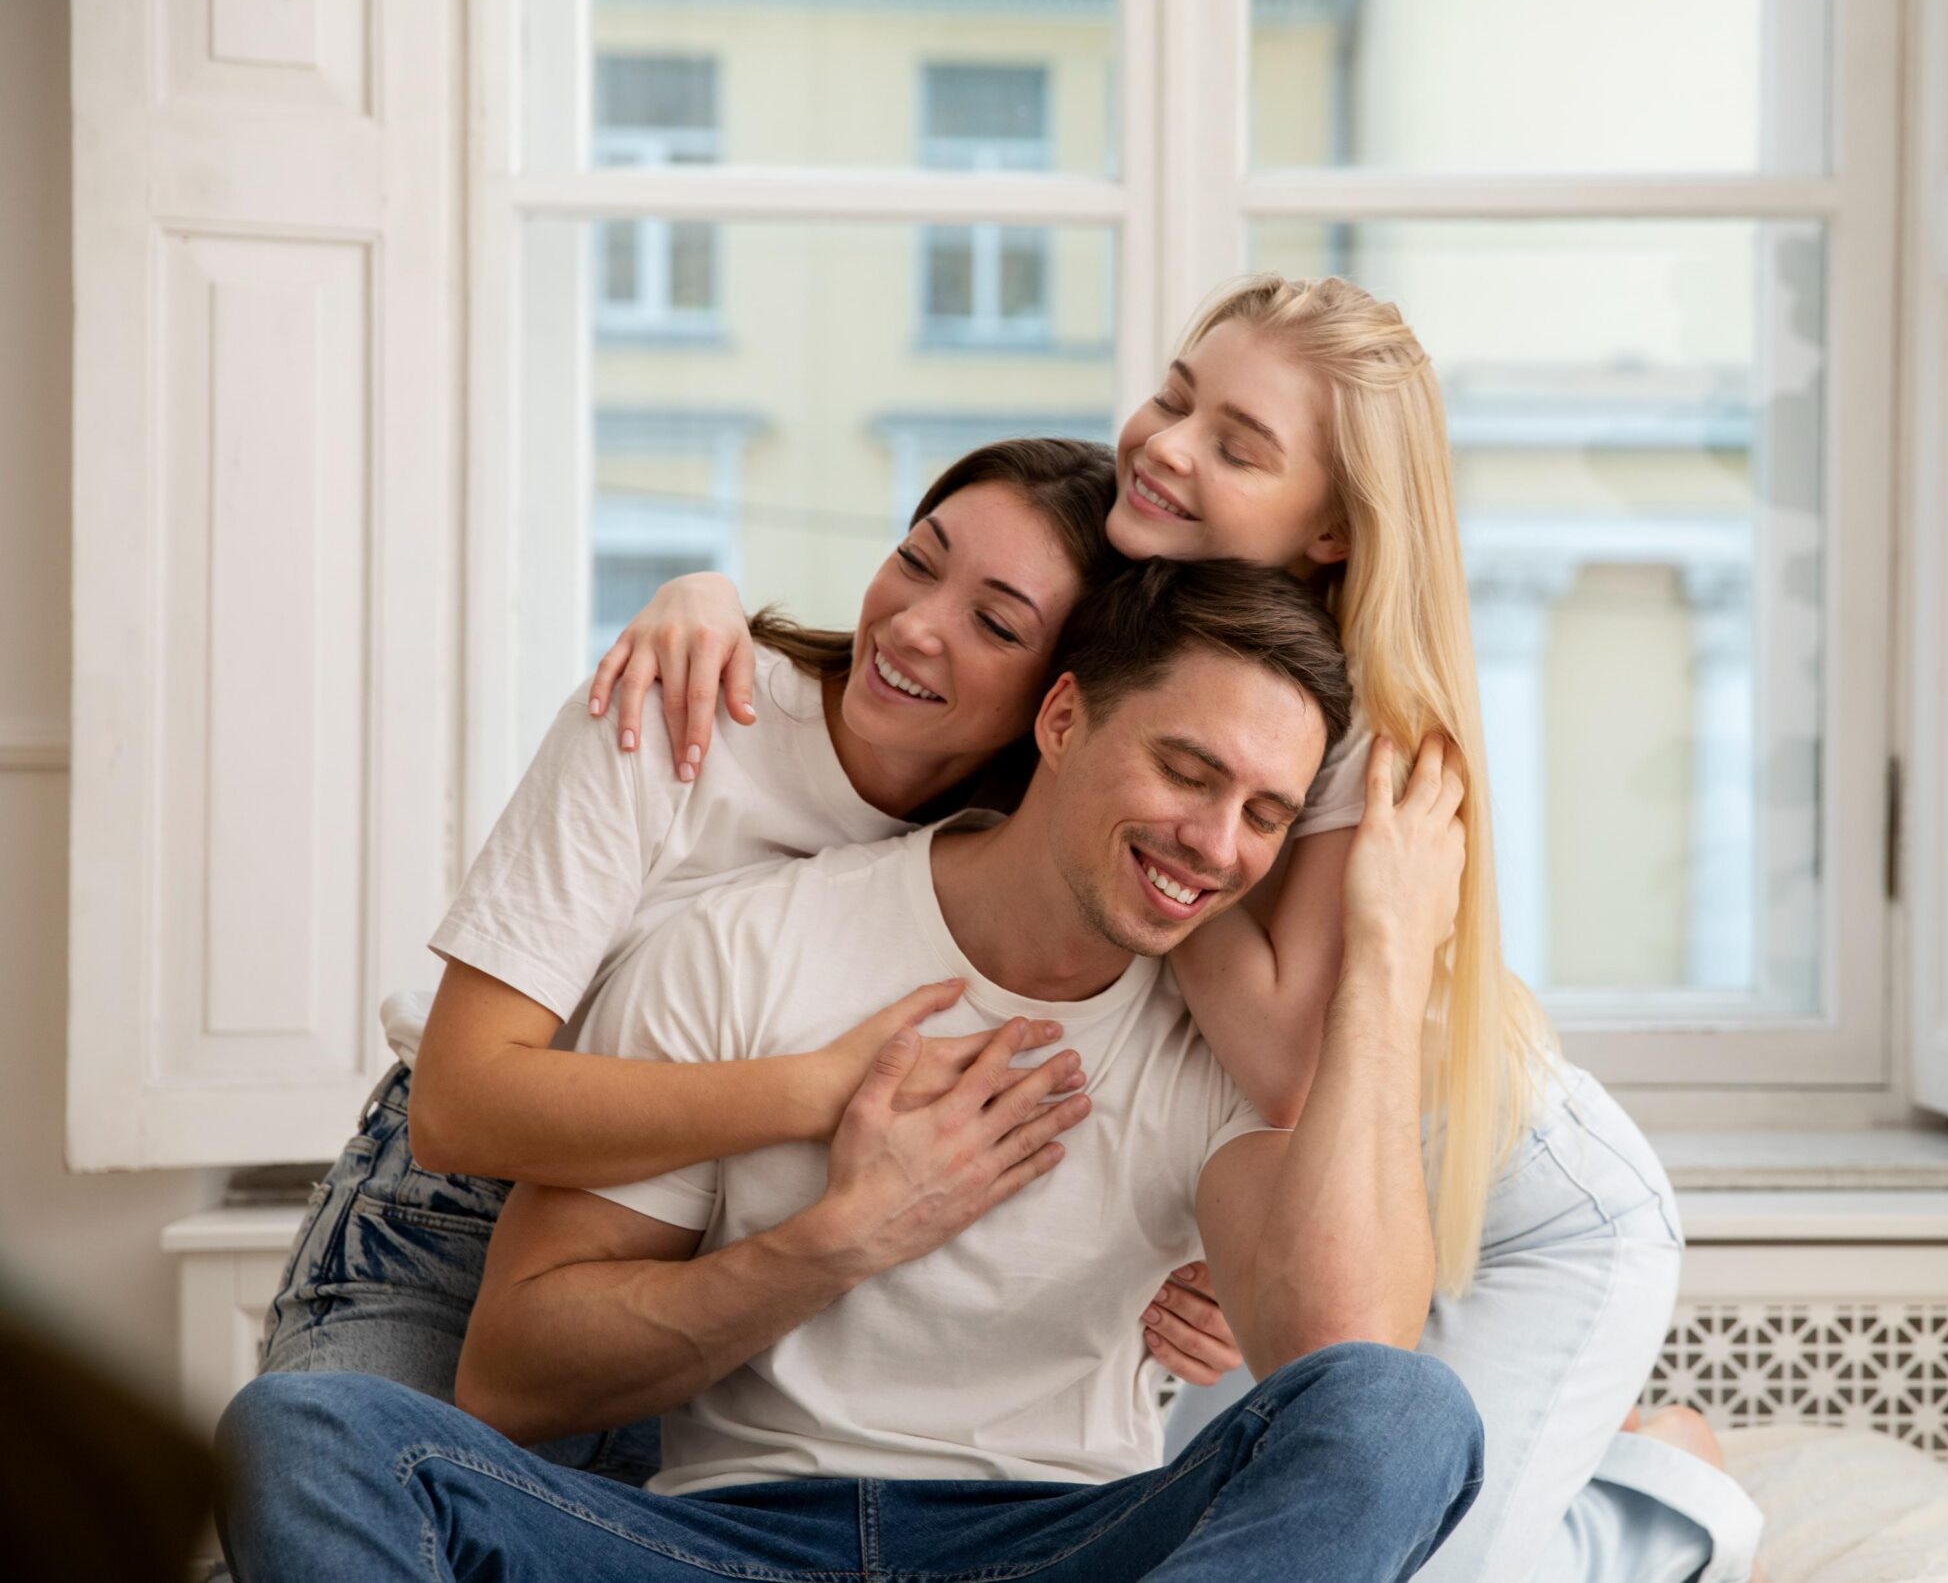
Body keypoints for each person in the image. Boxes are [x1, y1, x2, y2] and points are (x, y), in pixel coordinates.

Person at [599, 275, 1762, 1580]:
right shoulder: (1139, 585)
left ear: (1332, 531)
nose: (1166, 444)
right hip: (1286, 1189)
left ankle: (1662, 1503)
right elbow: (950, 642)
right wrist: (706, 597)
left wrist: (1143, 851)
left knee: (1404, 1553)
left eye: (1237, 445)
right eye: (1175, 394)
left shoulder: (1358, 715)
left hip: (1516, 1207)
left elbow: (1286, 1061)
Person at [217, 560, 1485, 1582]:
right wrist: (835, 1244)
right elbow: (516, 1373)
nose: (1214, 843)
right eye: (1186, 771)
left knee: (1408, 1412)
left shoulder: (1222, 1035)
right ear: (1061, 718)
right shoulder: (751, 943)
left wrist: (1382, 955)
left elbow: (1348, 1361)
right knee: (306, 1433)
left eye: (1264, 814)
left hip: (1063, 1545)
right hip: (730, 1541)